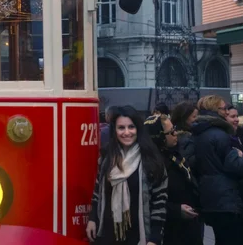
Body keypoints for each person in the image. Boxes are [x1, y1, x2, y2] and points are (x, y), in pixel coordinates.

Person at [86, 106, 167, 245]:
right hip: (107, 234)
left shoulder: (152, 160)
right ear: (115, 130)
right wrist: (92, 219)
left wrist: (154, 238)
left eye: (131, 127)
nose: (127, 132)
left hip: (138, 236)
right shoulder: (107, 158)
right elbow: (97, 192)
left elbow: (159, 202)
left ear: (138, 129)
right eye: (121, 128)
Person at [192, 95, 243, 245]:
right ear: (215, 110)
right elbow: (234, 165)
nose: (226, 111)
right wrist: (241, 157)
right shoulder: (220, 134)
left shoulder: (199, 133)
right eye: (223, 108)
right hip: (226, 198)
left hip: (209, 196)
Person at [145, 114, 202, 245]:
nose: (175, 133)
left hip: (188, 225)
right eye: (170, 132)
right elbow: (148, 201)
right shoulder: (152, 164)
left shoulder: (173, 153)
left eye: (174, 129)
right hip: (170, 229)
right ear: (159, 137)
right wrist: (176, 210)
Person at [170, 101, 199, 168]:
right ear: (184, 118)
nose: (197, 119)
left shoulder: (172, 134)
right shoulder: (187, 139)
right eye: (194, 116)